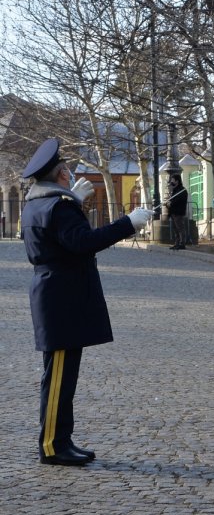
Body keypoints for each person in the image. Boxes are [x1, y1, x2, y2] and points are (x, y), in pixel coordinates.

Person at [20, 138, 153, 465]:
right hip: (62, 297)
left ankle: (60, 439)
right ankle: (52, 444)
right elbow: (83, 242)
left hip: (55, 293)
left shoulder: (39, 203)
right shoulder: (58, 207)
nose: (71, 172)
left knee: (61, 375)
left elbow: (60, 238)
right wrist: (128, 224)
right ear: (62, 174)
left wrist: (72, 203)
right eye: (67, 169)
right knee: (58, 378)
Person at [166, 173, 189, 250]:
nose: (171, 182)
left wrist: (171, 203)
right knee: (175, 229)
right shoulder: (174, 190)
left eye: (173, 180)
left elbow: (178, 201)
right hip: (173, 212)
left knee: (180, 228)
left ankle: (182, 243)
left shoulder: (182, 190)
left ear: (177, 181)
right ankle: (177, 243)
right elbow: (171, 200)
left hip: (178, 212)